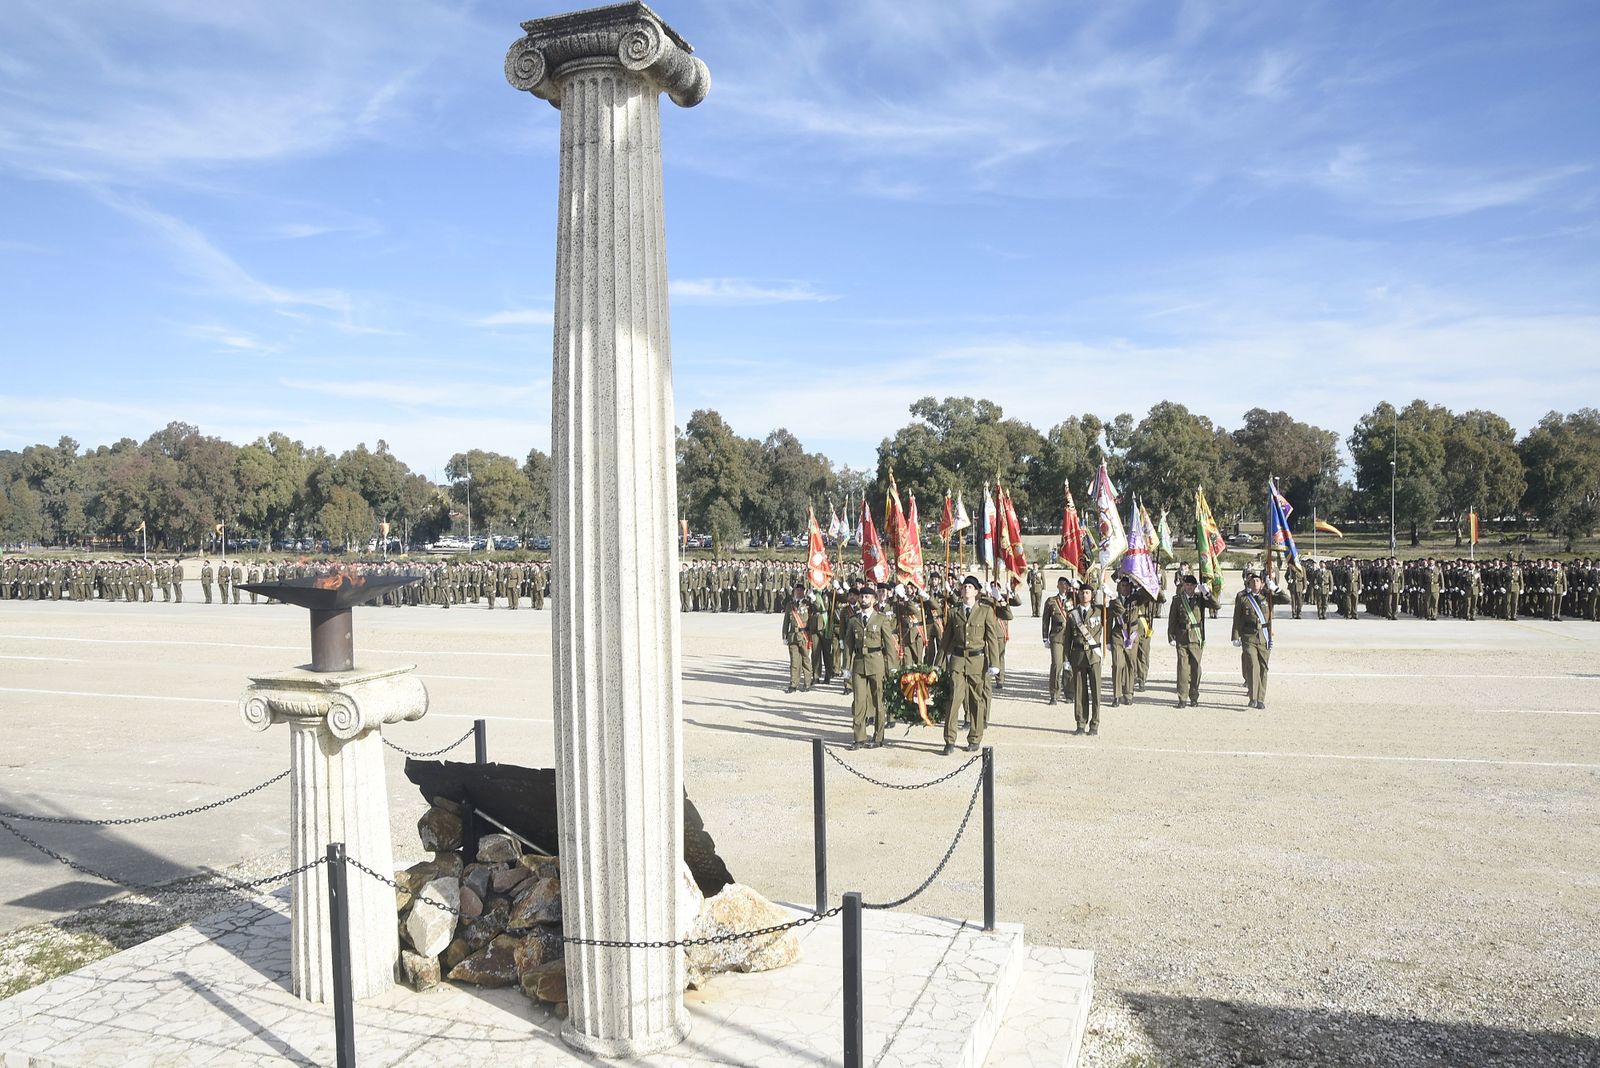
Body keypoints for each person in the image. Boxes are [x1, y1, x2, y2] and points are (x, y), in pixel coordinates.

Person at [941, 575, 1001, 755]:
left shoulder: (985, 611)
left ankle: (975, 738)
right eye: (964, 586)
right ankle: (950, 740)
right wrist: (938, 664)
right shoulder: (953, 612)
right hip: (958, 661)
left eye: (970, 587)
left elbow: (991, 639)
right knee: (954, 700)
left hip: (977, 661)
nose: (966, 589)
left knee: (976, 701)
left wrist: (995, 663)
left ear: (976, 591)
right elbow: (946, 641)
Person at [841, 584, 897, 749]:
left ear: (873, 600)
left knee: (878, 701)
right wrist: (846, 667)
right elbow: (849, 646)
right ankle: (859, 738)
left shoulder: (881, 619)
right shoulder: (854, 620)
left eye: (867, 597)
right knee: (859, 702)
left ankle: (878, 737)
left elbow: (888, 645)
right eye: (861, 597)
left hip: (876, 663)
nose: (863, 600)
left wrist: (892, 666)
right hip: (859, 663)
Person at [1167, 572, 1217, 707]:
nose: (1188, 587)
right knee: (1182, 668)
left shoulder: (1200, 599)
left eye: (1191, 585)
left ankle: (1194, 695)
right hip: (1182, 636)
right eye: (1186, 584)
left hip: (1196, 637)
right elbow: (1172, 619)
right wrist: (1170, 636)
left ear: (1195, 586)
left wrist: (1207, 594)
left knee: (1196, 668)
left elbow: (1216, 606)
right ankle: (1182, 697)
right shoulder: (1177, 599)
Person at [1232, 570, 1276, 709]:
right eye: (1253, 581)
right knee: (1252, 666)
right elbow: (1237, 617)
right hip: (1248, 636)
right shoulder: (1243, 597)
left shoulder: (1268, 596)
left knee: (1263, 668)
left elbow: (1285, 599)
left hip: (1264, 636)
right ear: (1249, 584)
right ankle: (1253, 697)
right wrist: (1235, 636)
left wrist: (1275, 587)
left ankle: (1261, 698)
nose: (1255, 583)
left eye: (1258, 581)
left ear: (1262, 584)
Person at [1068, 582, 1104, 735]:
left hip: (1094, 656)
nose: (1084, 595)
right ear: (1078, 594)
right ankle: (1080, 723)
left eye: (1088, 593)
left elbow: (1118, 609)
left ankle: (1094, 724)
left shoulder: (1099, 611)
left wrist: (1108, 593)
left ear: (1092, 595)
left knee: (1095, 692)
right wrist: (1065, 659)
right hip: (1077, 656)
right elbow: (1067, 638)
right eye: (1082, 593)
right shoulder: (1072, 614)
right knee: (1079, 692)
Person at [1040, 575, 1075, 705]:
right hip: (1056, 637)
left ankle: (1069, 693)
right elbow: (1045, 620)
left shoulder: (1074, 599)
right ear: (1057, 586)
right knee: (1057, 664)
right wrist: (1044, 637)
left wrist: (1076, 588)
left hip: (1071, 637)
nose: (1063, 587)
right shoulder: (1051, 601)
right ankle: (1054, 694)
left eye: (1066, 584)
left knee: (1069, 665)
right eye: (1061, 584)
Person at [781, 585, 814, 693]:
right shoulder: (790, 605)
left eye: (801, 590)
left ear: (804, 592)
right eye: (797, 590)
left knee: (805, 660)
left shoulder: (808, 604)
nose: (799, 592)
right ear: (794, 591)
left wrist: (813, 598)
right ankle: (793, 684)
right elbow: (786, 621)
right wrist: (784, 636)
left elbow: (817, 611)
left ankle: (807, 683)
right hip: (793, 636)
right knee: (794, 662)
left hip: (804, 635)